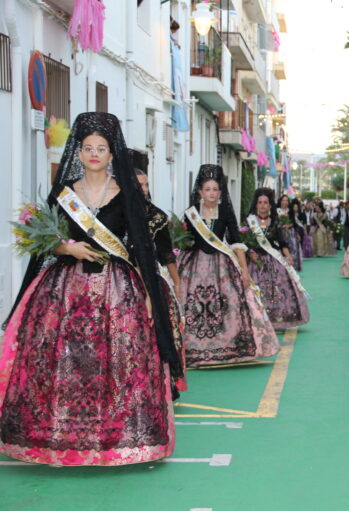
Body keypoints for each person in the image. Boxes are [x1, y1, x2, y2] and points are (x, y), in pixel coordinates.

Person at [0, 112, 181, 465]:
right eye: (87, 148)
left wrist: (147, 294)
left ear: (113, 154)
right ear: (78, 153)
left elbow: (142, 248)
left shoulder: (128, 195)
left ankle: (120, 438)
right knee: (62, 364)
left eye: (102, 147)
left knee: (118, 363)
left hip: (117, 292)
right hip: (65, 291)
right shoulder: (64, 195)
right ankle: (57, 437)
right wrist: (66, 248)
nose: (95, 153)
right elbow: (44, 242)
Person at [178, 165, 279, 368]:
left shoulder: (224, 211)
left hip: (222, 264)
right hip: (194, 264)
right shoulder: (191, 213)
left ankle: (228, 346)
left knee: (229, 302)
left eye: (215, 189)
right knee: (193, 305)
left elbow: (235, 240)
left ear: (221, 192)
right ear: (200, 192)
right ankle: (194, 348)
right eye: (207, 189)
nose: (211, 193)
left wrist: (244, 270)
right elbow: (185, 239)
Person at [135, 168, 187, 394]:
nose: (144, 190)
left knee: (157, 331)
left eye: (146, 185)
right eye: (139, 185)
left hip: (152, 281)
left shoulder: (156, 216)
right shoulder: (113, 213)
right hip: (122, 278)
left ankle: (158, 385)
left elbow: (166, 253)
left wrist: (176, 282)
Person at [245, 188, 310, 330]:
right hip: (254, 261)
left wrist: (288, 256)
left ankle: (276, 320)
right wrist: (250, 253)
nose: (262, 205)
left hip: (272, 259)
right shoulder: (249, 222)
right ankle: (257, 319)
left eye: (265, 203)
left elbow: (282, 242)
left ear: (270, 205)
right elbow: (243, 243)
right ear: (256, 204)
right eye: (260, 202)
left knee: (277, 289)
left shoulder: (275, 222)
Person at [277, 194, 302, 272]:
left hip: (290, 232)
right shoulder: (276, 210)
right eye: (283, 200)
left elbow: (294, 223)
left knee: (292, 248)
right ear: (280, 201)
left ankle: (293, 265)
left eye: (286, 200)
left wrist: (288, 225)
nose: (285, 202)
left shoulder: (290, 211)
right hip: (280, 232)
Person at [289, 198, 306, 269]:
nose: (295, 208)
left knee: (300, 245)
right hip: (294, 232)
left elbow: (304, 223)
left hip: (300, 231)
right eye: (294, 207)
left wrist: (305, 231)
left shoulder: (302, 214)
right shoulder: (290, 214)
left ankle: (299, 259)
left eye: (296, 207)